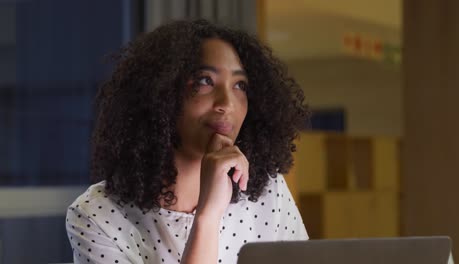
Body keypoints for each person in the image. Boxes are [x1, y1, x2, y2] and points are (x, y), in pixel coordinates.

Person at [66, 19, 309, 264]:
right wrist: (208, 214)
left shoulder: (269, 190)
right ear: (162, 93)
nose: (227, 103)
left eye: (240, 85)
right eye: (205, 81)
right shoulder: (96, 215)